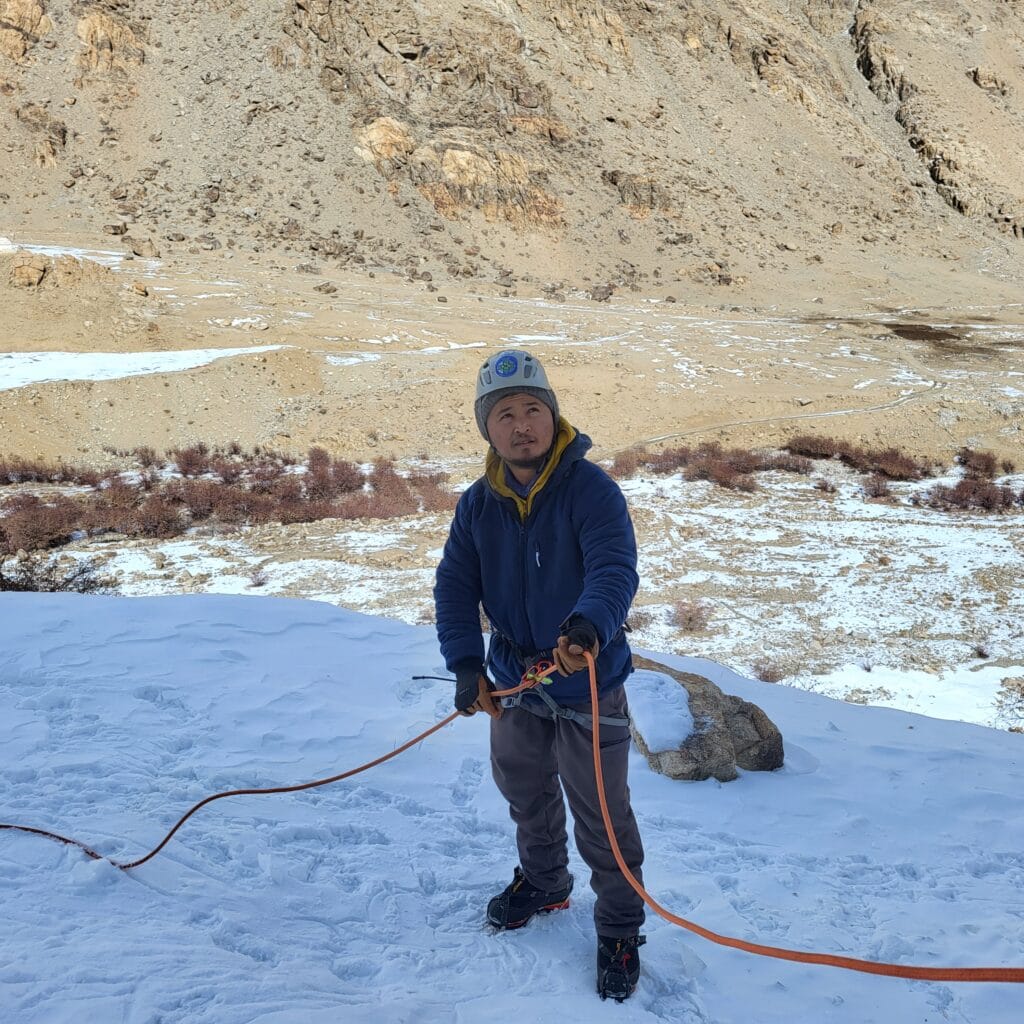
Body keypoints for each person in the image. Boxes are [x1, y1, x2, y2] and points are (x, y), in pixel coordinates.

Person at [433, 349, 647, 1002]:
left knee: (603, 817)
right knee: (524, 792)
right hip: (515, 688)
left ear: (553, 417)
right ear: (487, 429)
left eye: (533, 409)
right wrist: (468, 665)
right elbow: (454, 585)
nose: (522, 424)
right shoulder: (478, 506)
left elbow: (614, 567)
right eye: (505, 414)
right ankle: (547, 882)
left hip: (585, 682)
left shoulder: (591, 491)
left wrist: (587, 626)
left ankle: (619, 926)